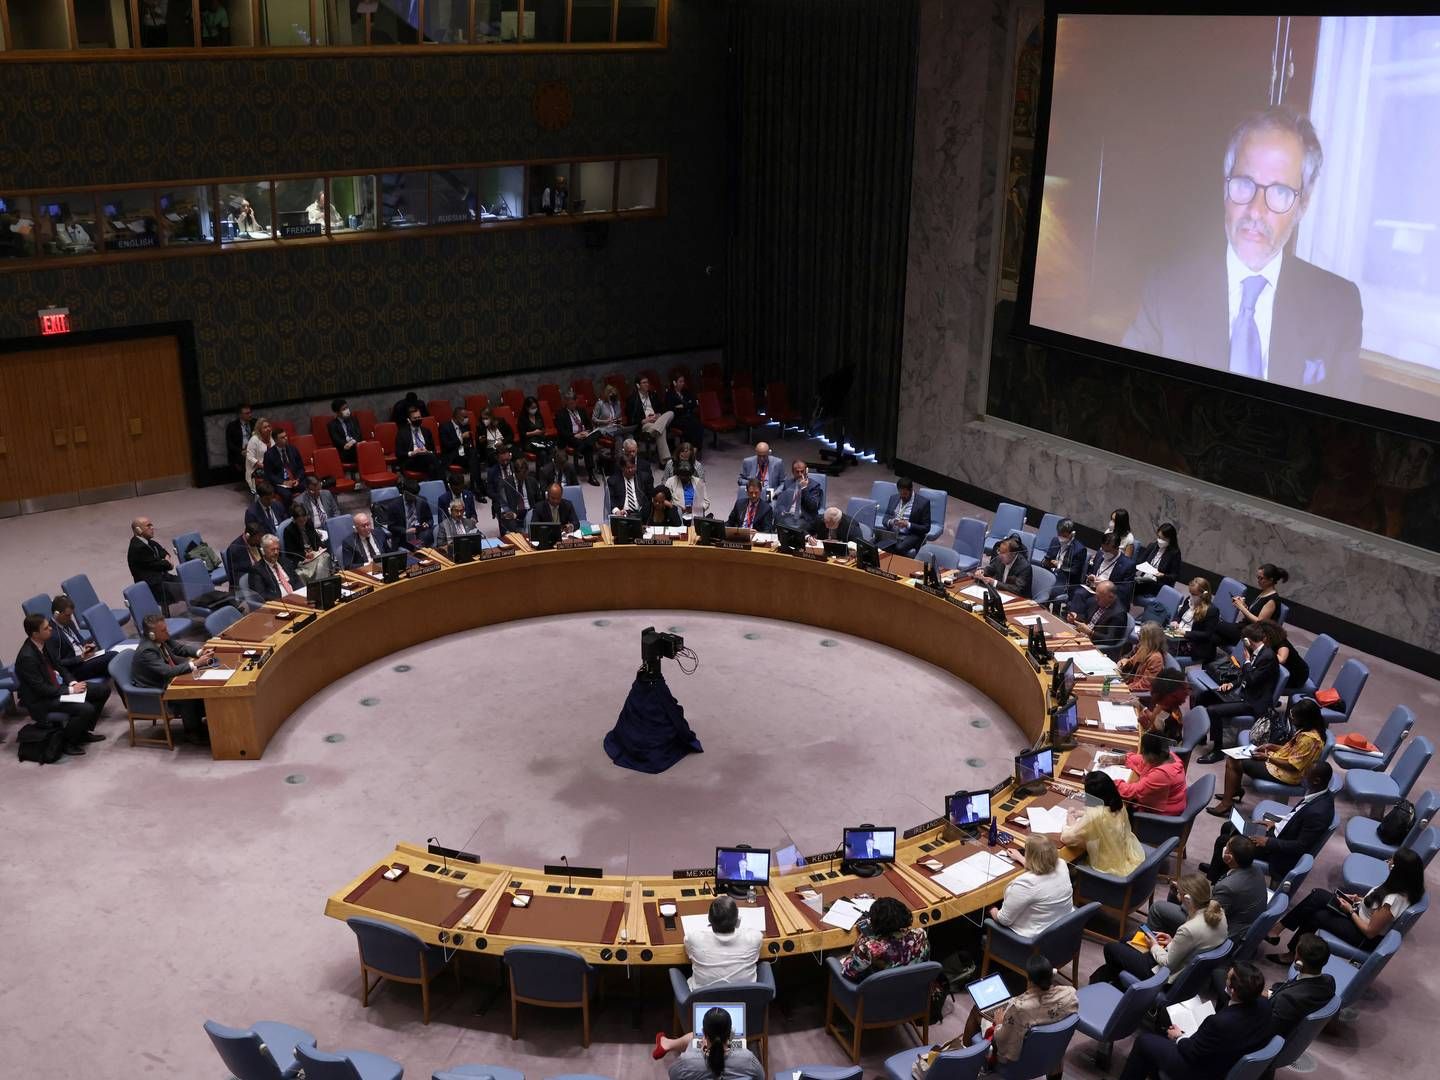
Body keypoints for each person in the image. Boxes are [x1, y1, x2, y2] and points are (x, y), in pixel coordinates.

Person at [1122, 106, 1361, 395]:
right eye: (1245, 184)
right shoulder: (1165, 292)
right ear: (1225, 188)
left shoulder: (1338, 304)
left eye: (1280, 191)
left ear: (1303, 204)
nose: (1256, 210)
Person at [1115, 962, 1272, 1080]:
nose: (1225, 979)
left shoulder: (1219, 1023)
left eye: (1228, 978)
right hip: (1229, 1058)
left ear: (1233, 990)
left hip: (1201, 1070)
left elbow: (1192, 1052)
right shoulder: (1265, 1006)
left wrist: (1179, 1036)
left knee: (1144, 1041)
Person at [1268, 848, 1424, 965]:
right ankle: (1277, 932)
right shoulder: (1405, 886)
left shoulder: (1394, 899)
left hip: (1362, 935)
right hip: (1359, 913)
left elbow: (1370, 932)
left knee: (1318, 916)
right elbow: (1378, 903)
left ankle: (1289, 950)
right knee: (1318, 896)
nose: (1388, 862)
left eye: (1392, 861)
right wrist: (1360, 899)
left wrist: (1350, 911)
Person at [1202, 763, 1334, 889]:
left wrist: (1268, 842)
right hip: (1279, 834)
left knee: (1224, 841)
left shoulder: (1319, 812)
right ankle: (1219, 869)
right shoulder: (1317, 794)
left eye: (1306, 774)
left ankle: (1216, 883)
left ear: (1316, 780)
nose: (1302, 776)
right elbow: (1297, 817)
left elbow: (1300, 847)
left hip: (1278, 850)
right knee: (1228, 826)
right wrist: (1275, 823)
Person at [1092, 872, 1227, 989]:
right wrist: (1172, 941)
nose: (1178, 897)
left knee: (1111, 948)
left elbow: (1167, 964)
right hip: (1185, 964)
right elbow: (1197, 942)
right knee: (1126, 940)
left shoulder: (1188, 929)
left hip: (1164, 974)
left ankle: (1115, 983)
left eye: (1179, 893)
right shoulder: (1218, 911)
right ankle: (1114, 979)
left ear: (1187, 899)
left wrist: (1154, 946)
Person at [1208, 696, 1328, 812]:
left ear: (1305, 719)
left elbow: (1293, 765)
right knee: (1238, 756)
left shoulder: (1309, 739)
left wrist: (1267, 758)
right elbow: (1293, 752)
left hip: (1288, 774)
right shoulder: (1309, 729)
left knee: (1234, 760)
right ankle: (1233, 791)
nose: (1292, 719)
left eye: (1294, 717)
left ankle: (1226, 803)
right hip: (1281, 762)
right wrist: (1271, 747)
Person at [962, 955, 1078, 1073]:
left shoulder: (1018, 1007)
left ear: (1030, 980)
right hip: (1052, 1055)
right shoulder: (1070, 994)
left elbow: (1002, 1041)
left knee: (976, 1010)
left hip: (1019, 1062)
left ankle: (963, 1058)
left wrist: (999, 1023)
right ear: (1052, 974)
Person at [14, 613, 106, 755]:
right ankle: (68, 743)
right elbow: (41, 689)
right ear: (35, 634)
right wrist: (71, 690)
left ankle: (81, 732)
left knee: (102, 690)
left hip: (57, 688)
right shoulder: (27, 658)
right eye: (46, 628)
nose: (51, 629)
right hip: (42, 700)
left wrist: (73, 682)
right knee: (86, 709)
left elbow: (60, 667)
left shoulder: (45, 644)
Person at [1150, 835, 1266, 941]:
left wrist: (1185, 901)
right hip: (1239, 922)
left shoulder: (1228, 886)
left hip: (1224, 933)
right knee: (1179, 888)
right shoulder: (1256, 869)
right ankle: (1173, 936)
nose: (1224, 847)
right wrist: (1187, 891)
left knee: (1157, 908)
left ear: (1228, 857)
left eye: (1227, 846)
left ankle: (1152, 952)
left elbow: (1208, 918)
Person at [1194, 623, 1281, 761]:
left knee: (1213, 710)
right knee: (1202, 697)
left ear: (1247, 640)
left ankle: (1217, 751)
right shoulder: (1257, 653)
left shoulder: (1268, 657)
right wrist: (1231, 684)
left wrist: (1246, 661)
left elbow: (1251, 678)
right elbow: (1244, 676)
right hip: (1242, 694)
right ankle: (1200, 736)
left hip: (1253, 703)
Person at [131, 612, 215, 743]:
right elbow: (167, 672)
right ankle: (192, 732)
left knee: (203, 683)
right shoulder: (146, 651)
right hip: (156, 689)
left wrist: (200, 652)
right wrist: (196, 663)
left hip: (168, 679)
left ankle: (202, 722)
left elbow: (180, 648)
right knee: (188, 694)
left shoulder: (162, 638)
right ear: (152, 634)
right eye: (163, 630)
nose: (167, 632)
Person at [985, 835, 1075, 938]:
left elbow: (1003, 920)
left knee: (980, 912)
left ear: (1031, 856)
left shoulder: (1026, 884)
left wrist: (990, 907)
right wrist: (1020, 857)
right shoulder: (1062, 864)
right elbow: (1043, 867)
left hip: (1034, 939)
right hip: (1061, 926)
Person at [1061, 772, 1145, 876]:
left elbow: (1067, 837)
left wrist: (1070, 817)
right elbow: (1106, 818)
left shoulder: (1094, 815)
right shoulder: (1118, 804)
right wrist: (1083, 814)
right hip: (1124, 853)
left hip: (1106, 865)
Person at [651, 1005, 764, 1080]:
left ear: (704, 1034)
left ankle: (667, 1043)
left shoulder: (687, 1061)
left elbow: (673, 1075)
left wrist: (697, 1052)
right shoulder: (747, 1059)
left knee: (692, 1040)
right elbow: (761, 1077)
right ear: (730, 1034)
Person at [680, 895, 763, 991]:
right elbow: (757, 934)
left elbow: (688, 946)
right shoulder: (754, 938)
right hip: (745, 998)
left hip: (703, 999)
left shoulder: (694, 939)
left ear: (709, 920)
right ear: (737, 921)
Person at [1261, 935, 1336, 1037]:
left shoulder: (1286, 999)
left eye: (1296, 952)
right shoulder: (1329, 980)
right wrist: (1270, 994)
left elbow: (1266, 1032)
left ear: (1299, 961)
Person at [839, 896, 929, 980]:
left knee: (836, 954)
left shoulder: (869, 947)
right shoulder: (920, 933)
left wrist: (858, 945)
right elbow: (925, 960)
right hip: (912, 985)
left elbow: (848, 973)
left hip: (877, 989)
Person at [47, 595, 116, 686]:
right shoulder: (51, 633)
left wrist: (86, 646)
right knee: (113, 657)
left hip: (85, 659)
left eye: (71, 615)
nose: (70, 618)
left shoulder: (68, 622)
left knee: (114, 664)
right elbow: (58, 663)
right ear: (56, 614)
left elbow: (79, 640)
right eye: (67, 615)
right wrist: (80, 658)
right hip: (75, 668)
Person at [1215, 564, 1290, 646]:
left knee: (1212, 623)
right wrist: (1244, 606)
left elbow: (1259, 622)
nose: (1258, 580)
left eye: (1261, 578)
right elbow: (1253, 614)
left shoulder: (1272, 600)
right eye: (1257, 577)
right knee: (1214, 635)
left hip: (1250, 635)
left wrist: (1241, 607)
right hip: (1244, 627)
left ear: (1270, 580)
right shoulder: (1264, 592)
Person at [1116, 731, 1187, 815]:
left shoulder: (1162, 775)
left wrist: (1111, 782)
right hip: (1167, 801)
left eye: (1144, 752)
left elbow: (1132, 792)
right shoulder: (1166, 754)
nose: (1142, 754)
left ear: (1155, 755)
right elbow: (1142, 761)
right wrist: (1119, 759)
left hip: (1161, 814)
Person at [127, 516, 184, 612]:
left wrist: (165, 560)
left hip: (162, 578)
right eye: (148, 526)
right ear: (138, 530)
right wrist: (167, 563)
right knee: (186, 587)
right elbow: (161, 565)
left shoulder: (148, 542)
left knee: (188, 580)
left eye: (151, 525)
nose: (152, 528)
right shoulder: (138, 547)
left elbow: (164, 553)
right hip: (154, 586)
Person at [1071, 531, 1136, 610]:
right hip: (1093, 589)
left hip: (1108, 595)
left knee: (1091, 602)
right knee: (1078, 593)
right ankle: (1075, 617)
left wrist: (1105, 584)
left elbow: (1125, 590)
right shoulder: (1100, 554)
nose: (1104, 553)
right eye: (1103, 549)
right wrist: (1090, 578)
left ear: (1117, 548)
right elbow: (1091, 572)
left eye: (1107, 551)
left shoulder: (1128, 565)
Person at [1065, 580, 1129, 658]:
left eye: (1099, 597)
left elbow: (1110, 640)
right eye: (1096, 595)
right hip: (1082, 636)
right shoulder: (1099, 601)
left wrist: (1090, 632)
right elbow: (1087, 617)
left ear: (1111, 597)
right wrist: (1075, 618)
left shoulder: (1118, 614)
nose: (1095, 599)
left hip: (1095, 645)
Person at [1167, 577, 1221, 665]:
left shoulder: (1212, 610)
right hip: (1178, 636)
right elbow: (1179, 616)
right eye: (1190, 593)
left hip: (1195, 645)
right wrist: (1176, 621)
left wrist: (1185, 633)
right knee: (1157, 643)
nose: (1191, 596)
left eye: (1194, 594)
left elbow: (1207, 634)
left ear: (1203, 594)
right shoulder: (1189, 600)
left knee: (1165, 654)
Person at [628, 375, 677, 465]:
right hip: (646, 424)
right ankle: (666, 462)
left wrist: (658, 415)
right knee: (661, 431)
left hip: (657, 421)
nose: (647, 384)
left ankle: (654, 431)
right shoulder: (633, 399)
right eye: (644, 383)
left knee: (671, 413)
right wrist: (644, 420)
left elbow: (662, 408)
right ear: (638, 385)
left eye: (647, 382)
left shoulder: (653, 395)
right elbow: (631, 419)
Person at [555, 389, 601, 483]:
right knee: (588, 447)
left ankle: (580, 450)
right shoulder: (560, 414)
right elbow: (562, 432)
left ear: (576, 401)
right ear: (566, 402)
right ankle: (591, 474)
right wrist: (575, 435)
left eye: (573, 403)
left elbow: (589, 424)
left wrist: (587, 432)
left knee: (596, 434)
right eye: (570, 403)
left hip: (584, 435)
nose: (572, 405)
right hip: (571, 438)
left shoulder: (581, 410)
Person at [1133, 522, 1182, 608]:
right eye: (1159, 537)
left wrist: (1163, 575)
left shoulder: (1174, 553)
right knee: (1128, 583)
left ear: (1170, 539)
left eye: (1163, 539)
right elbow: (1140, 561)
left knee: (1132, 587)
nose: (1160, 540)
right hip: (1145, 578)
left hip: (1159, 583)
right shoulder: (1153, 546)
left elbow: (1174, 576)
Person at [1039, 518, 1087, 604]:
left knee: (1047, 590)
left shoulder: (1080, 549)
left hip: (1065, 580)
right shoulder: (1055, 540)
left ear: (1072, 534)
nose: (1061, 538)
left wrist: (1059, 566)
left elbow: (1075, 571)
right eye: (1059, 535)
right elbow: (1048, 557)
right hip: (1051, 573)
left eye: (1064, 536)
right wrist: (1045, 562)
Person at [879, 476, 930, 556]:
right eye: (900, 493)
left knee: (899, 548)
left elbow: (926, 528)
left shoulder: (923, 503)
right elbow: (886, 518)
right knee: (879, 543)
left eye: (905, 494)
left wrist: (908, 524)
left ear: (911, 490)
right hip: (894, 532)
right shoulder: (894, 498)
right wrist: (891, 522)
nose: (902, 496)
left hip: (911, 534)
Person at [281, 504, 332, 583]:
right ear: (294, 520)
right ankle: (319, 585)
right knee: (320, 565)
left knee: (325, 557)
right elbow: (290, 553)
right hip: (302, 559)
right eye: (300, 522)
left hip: (314, 554)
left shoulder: (308, 523)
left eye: (304, 520)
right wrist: (304, 554)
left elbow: (317, 540)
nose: (303, 523)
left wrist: (319, 548)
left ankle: (320, 584)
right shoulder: (288, 531)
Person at [247, 535, 302, 601]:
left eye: (277, 549)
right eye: (272, 550)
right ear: (263, 551)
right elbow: (261, 595)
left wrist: (301, 593)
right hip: (280, 603)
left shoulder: (285, 561)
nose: (276, 552)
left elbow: (297, 581)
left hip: (297, 598)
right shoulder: (257, 570)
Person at [396, 403, 442, 481]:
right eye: (415, 418)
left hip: (426, 458)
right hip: (411, 460)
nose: (418, 420)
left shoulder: (426, 431)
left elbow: (433, 450)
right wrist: (412, 453)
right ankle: (443, 485)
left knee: (431, 466)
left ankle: (432, 486)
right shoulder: (402, 433)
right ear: (409, 420)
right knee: (434, 463)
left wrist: (427, 451)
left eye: (419, 417)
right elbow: (399, 453)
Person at [1136, 671, 1188, 741]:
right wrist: (1141, 707)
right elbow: (1154, 718)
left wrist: (1146, 727)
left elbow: (1157, 745)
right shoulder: (1162, 706)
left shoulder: (1171, 720)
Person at [1259, 619, 1309, 691]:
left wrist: (1263, 651)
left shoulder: (1282, 644)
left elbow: (1282, 659)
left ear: (1268, 635)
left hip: (1296, 676)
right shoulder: (1269, 641)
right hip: (1284, 669)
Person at [1118, 623, 1169, 693]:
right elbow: (1131, 662)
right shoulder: (1143, 648)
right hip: (1129, 683)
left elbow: (1144, 685)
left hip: (1137, 693)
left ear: (1150, 640)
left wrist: (1124, 688)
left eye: (1142, 636)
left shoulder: (1156, 658)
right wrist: (1123, 663)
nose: (1139, 637)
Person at [387, 478, 435, 550]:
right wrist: (405, 531)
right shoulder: (394, 505)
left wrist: (427, 524)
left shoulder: (422, 501)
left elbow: (430, 519)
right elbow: (391, 526)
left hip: (420, 534)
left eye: (416, 495)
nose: (414, 498)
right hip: (404, 537)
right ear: (404, 492)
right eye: (412, 495)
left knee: (427, 539)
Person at [262, 428, 306, 504]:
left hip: (295, 479)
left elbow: (301, 468)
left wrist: (298, 479)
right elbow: (269, 475)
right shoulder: (269, 454)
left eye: (286, 436)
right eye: (282, 438)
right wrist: (284, 482)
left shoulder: (293, 449)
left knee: (309, 485)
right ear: (275, 440)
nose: (286, 438)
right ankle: (289, 514)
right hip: (281, 483)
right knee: (287, 495)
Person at [438, 405, 477, 487]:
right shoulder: (444, 427)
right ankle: (476, 486)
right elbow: (447, 446)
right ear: (457, 417)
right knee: (474, 459)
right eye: (464, 417)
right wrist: (461, 438)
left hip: (465, 453)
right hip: (453, 455)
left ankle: (475, 485)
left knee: (474, 454)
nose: (467, 419)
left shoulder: (465, 426)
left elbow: (469, 442)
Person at [665, 373, 704, 450]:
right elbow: (672, 409)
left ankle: (696, 449)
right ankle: (689, 449)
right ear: (674, 383)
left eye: (683, 381)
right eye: (680, 381)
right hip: (676, 419)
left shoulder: (686, 391)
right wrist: (687, 405)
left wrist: (683, 406)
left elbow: (694, 403)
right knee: (691, 427)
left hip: (687, 416)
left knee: (699, 425)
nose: (683, 383)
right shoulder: (669, 394)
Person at [226, 521, 265, 595]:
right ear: (248, 536)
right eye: (257, 539)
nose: (260, 541)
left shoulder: (257, 542)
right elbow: (239, 578)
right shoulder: (235, 550)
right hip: (249, 583)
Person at [243, 417, 273, 494]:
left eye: (269, 426)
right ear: (259, 430)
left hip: (270, 465)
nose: (268, 429)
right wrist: (261, 465)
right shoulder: (254, 440)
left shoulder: (271, 437)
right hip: (257, 468)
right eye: (265, 427)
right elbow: (249, 456)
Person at [225, 404, 253, 475]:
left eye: (250, 412)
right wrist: (241, 451)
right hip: (240, 452)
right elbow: (230, 444)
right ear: (240, 415)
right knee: (248, 459)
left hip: (255, 449)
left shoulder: (255, 423)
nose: (250, 415)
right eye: (247, 413)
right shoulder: (232, 426)